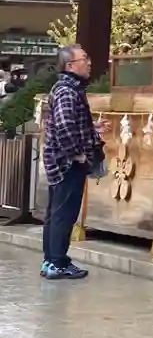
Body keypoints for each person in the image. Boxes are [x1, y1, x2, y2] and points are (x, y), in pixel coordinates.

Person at [40, 46, 104, 281]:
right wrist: (78, 155)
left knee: (55, 214)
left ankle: (51, 261)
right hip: (66, 164)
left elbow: (68, 122)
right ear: (70, 65)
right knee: (63, 215)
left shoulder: (67, 89)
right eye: (84, 59)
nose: (89, 63)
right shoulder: (68, 91)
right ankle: (57, 263)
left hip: (59, 162)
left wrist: (92, 128)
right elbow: (65, 126)